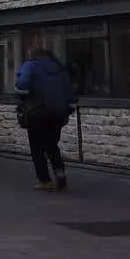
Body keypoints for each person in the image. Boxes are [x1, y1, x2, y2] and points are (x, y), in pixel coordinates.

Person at [16, 48, 76, 191]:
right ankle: (59, 171)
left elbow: (21, 87)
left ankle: (44, 180)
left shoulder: (30, 66)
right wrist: (67, 111)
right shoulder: (59, 68)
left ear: (33, 55)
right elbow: (70, 92)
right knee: (51, 144)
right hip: (57, 113)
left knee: (37, 147)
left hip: (37, 112)